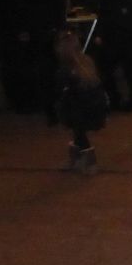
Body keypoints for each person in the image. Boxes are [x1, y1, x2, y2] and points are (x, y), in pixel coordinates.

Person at [21, 0, 70, 123]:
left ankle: (49, 109)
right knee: (61, 69)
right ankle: (62, 104)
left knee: (44, 72)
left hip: (37, 34)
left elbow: (25, 13)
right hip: (55, 32)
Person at [56, 31, 108, 174]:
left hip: (79, 108)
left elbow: (64, 92)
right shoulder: (87, 62)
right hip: (92, 105)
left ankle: (90, 161)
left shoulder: (66, 71)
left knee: (79, 133)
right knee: (77, 132)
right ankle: (76, 158)